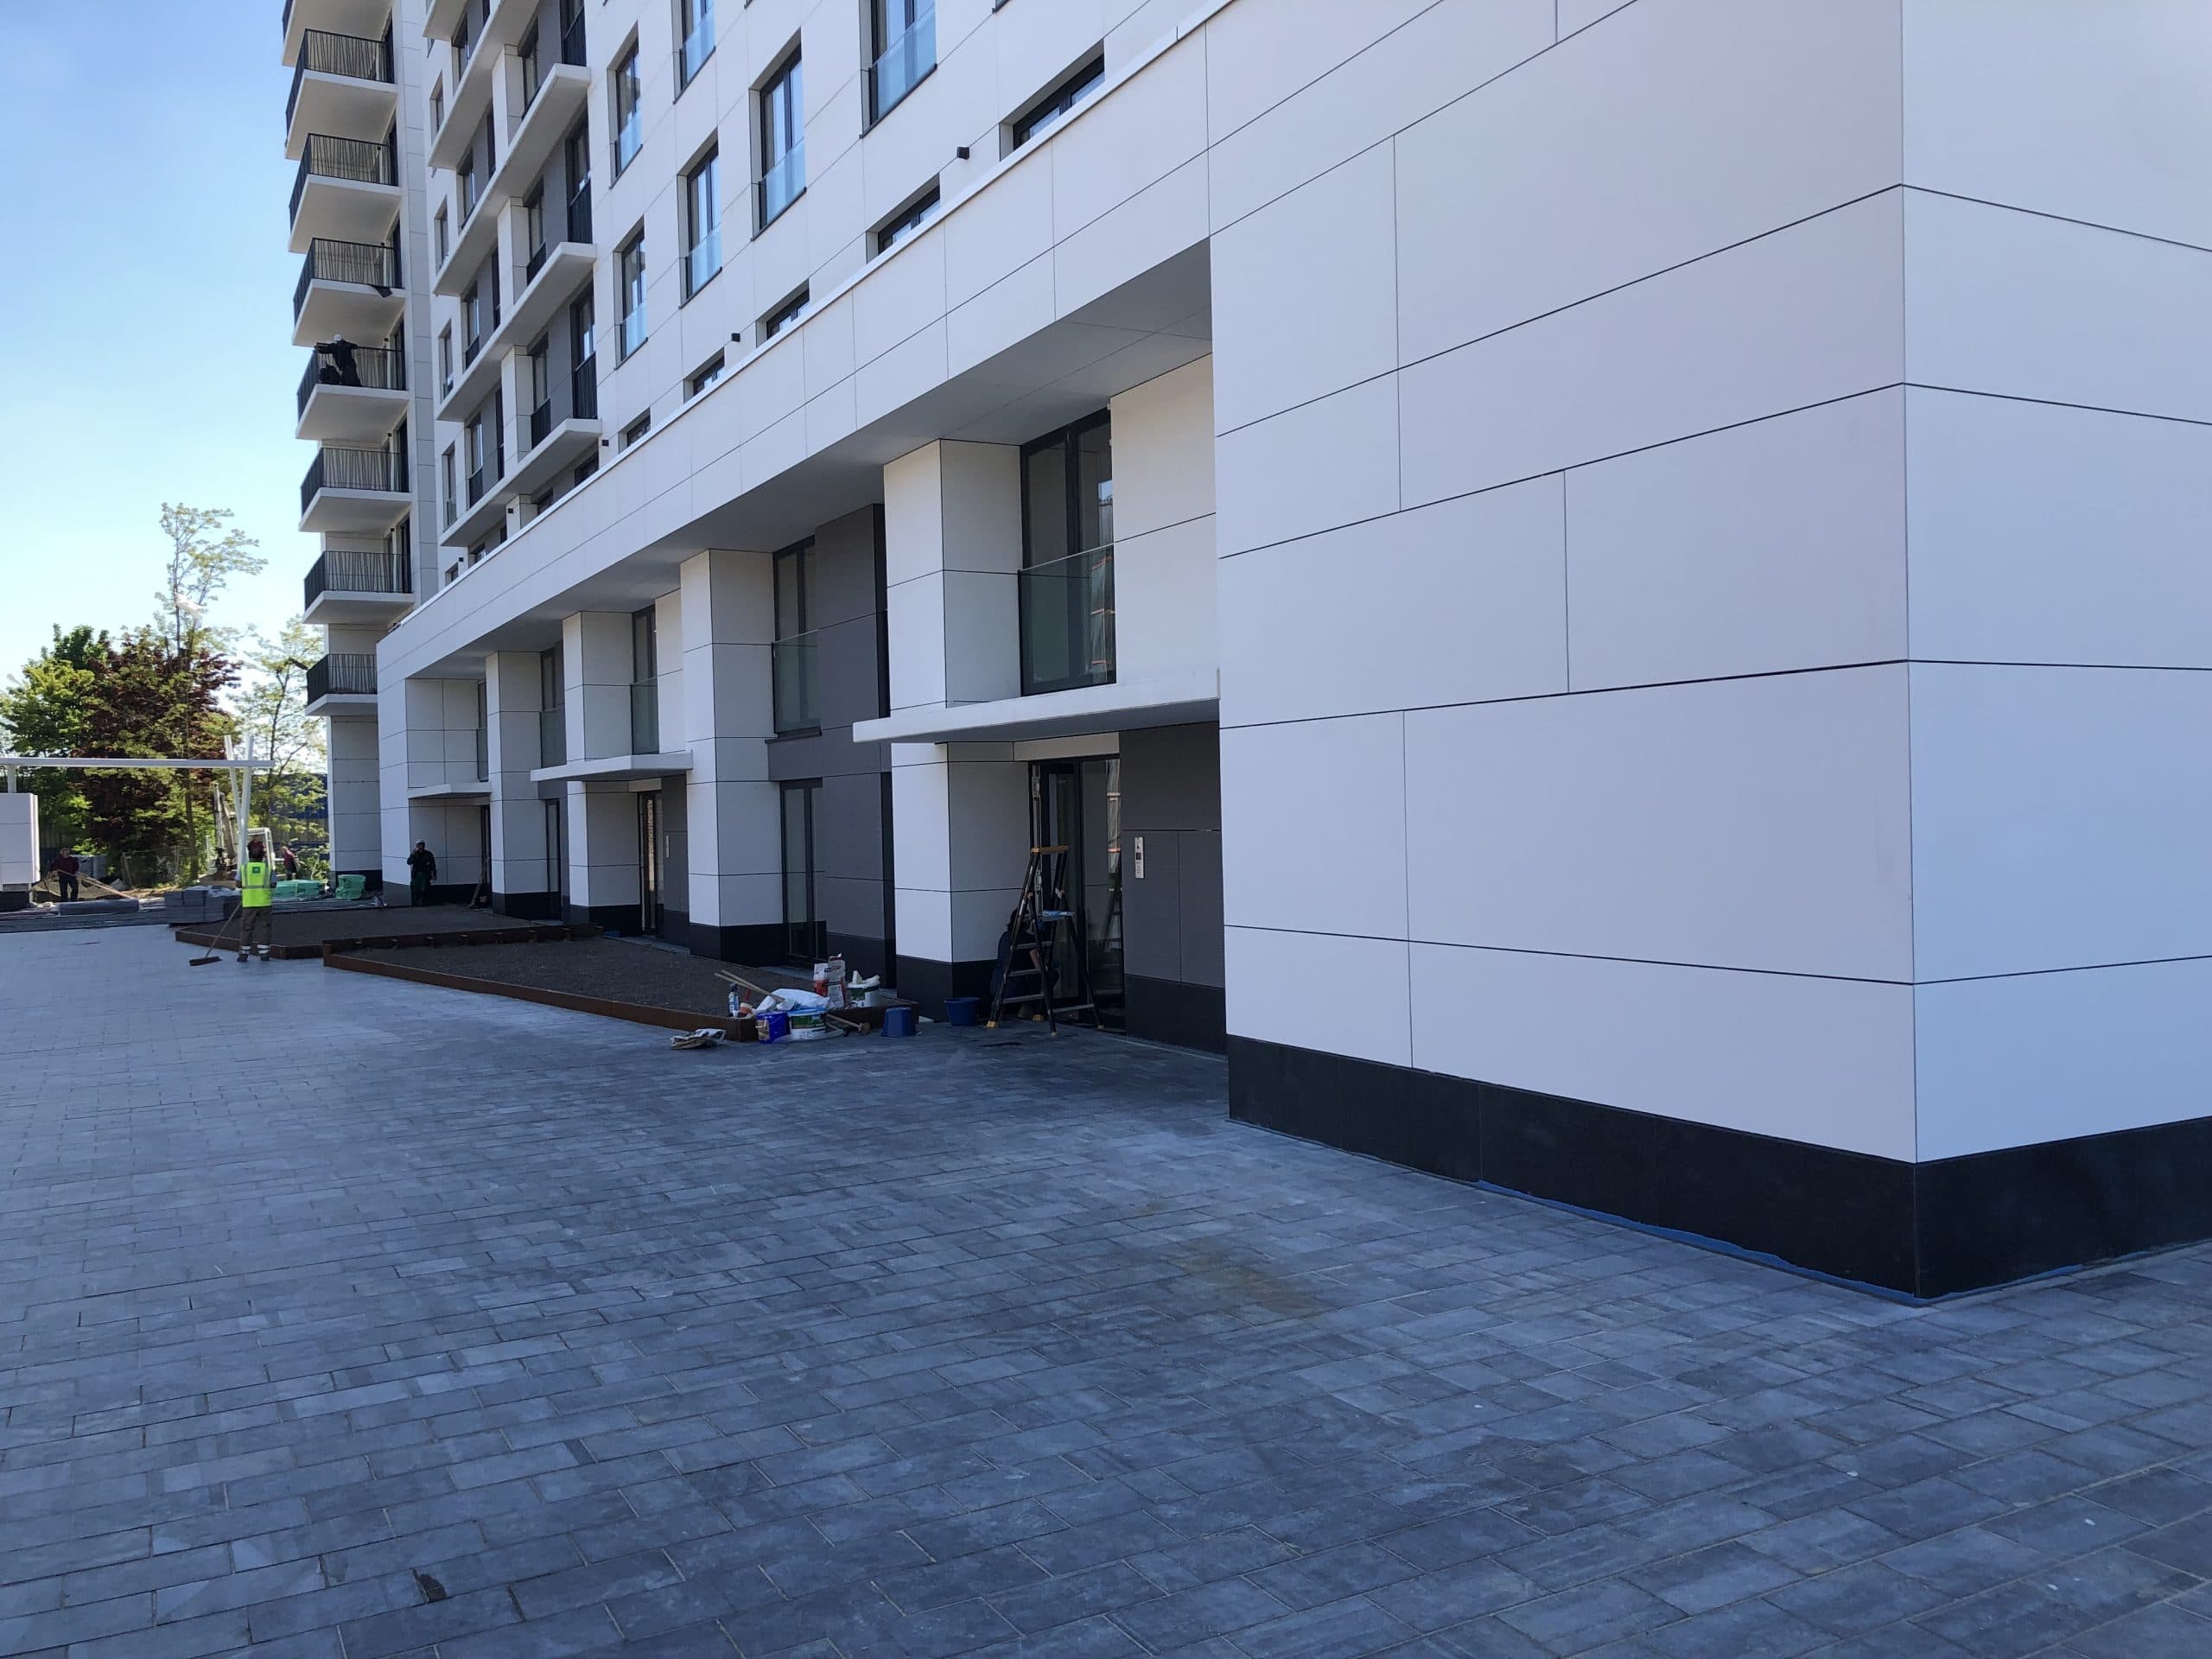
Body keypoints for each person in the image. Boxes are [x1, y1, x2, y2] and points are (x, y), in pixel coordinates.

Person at [237, 836, 275, 962]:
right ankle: (264, 954)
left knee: (246, 928)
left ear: (249, 855)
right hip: (264, 903)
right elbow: (273, 884)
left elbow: (238, 884)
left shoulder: (243, 868)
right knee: (264, 928)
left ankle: (243, 954)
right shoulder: (268, 869)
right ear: (263, 855)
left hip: (249, 903)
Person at [406, 841, 437, 906]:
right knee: (416, 888)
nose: (420, 846)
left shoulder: (428, 854)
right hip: (416, 874)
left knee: (424, 888)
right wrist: (412, 855)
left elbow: (433, 865)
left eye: (421, 845)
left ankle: (423, 901)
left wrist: (434, 874)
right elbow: (409, 862)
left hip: (425, 873)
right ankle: (417, 901)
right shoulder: (415, 854)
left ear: (423, 845)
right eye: (418, 845)